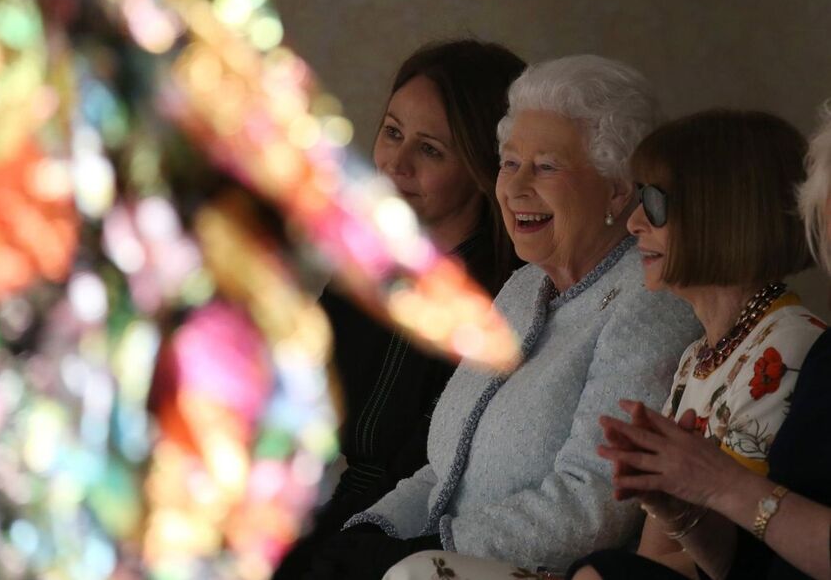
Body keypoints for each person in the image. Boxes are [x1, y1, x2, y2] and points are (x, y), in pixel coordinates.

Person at [297, 55, 703, 580]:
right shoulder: (523, 286)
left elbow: (591, 503)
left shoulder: (650, 302)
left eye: (547, 167)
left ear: (617, 188)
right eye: (510, 163)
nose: (514, 187)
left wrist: (419, 553)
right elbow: (443, 471)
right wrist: (371, 532)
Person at [273, 40, 527, 579]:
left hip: (412, 541)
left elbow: (421, 477)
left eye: (430, 150)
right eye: (392, 132)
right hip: (340, 519)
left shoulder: (502, 303)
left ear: (484, 170)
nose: (396, 162)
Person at [567, 109, 828, 580]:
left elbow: (731, 564)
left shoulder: (786, 346)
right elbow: (662, 552)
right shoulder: (699, 357)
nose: (633, 224)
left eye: (654, 202)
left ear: (723, 215)